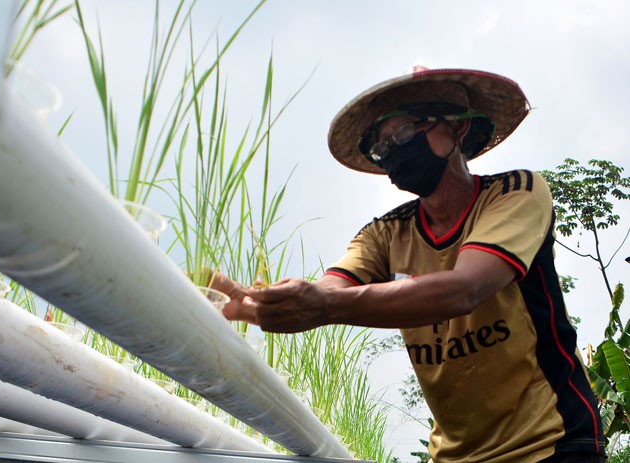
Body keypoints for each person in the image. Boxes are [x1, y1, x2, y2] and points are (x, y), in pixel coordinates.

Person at [212, 67, 606, 463]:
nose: (395, 150)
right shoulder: (385, 234)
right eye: (383, 147)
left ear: (459, 129)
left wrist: (325, 307)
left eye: (404, 133)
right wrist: (269, 304)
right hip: (455, 456)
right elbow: (332, 288)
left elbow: (465, 288)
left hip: (549, 443)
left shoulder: (514, 193)